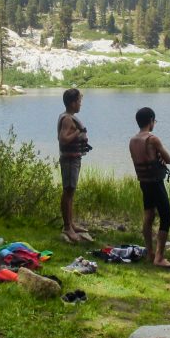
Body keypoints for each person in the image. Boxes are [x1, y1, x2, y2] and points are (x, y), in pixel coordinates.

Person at [128, 107, 170, 268]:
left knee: (149, 215)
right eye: (154, 121)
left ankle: (150, 252)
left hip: (144, 182)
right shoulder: (152, 139)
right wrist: (160, 159)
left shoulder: (133, 140)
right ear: (150, 121)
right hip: (156, 182)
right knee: (166, 217)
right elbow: (169, 160)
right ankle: (159, 257)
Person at [58, 88, 91, 243]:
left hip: (73, 160)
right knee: (68, 192)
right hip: (69, 161)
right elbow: (63, 139)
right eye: (79, 101)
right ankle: (67, 227)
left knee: (71, 192)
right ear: (72, 103)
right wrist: (78, 133)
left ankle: (71, 224)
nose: (80, 104)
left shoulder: (69, 117)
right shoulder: (67, 119)